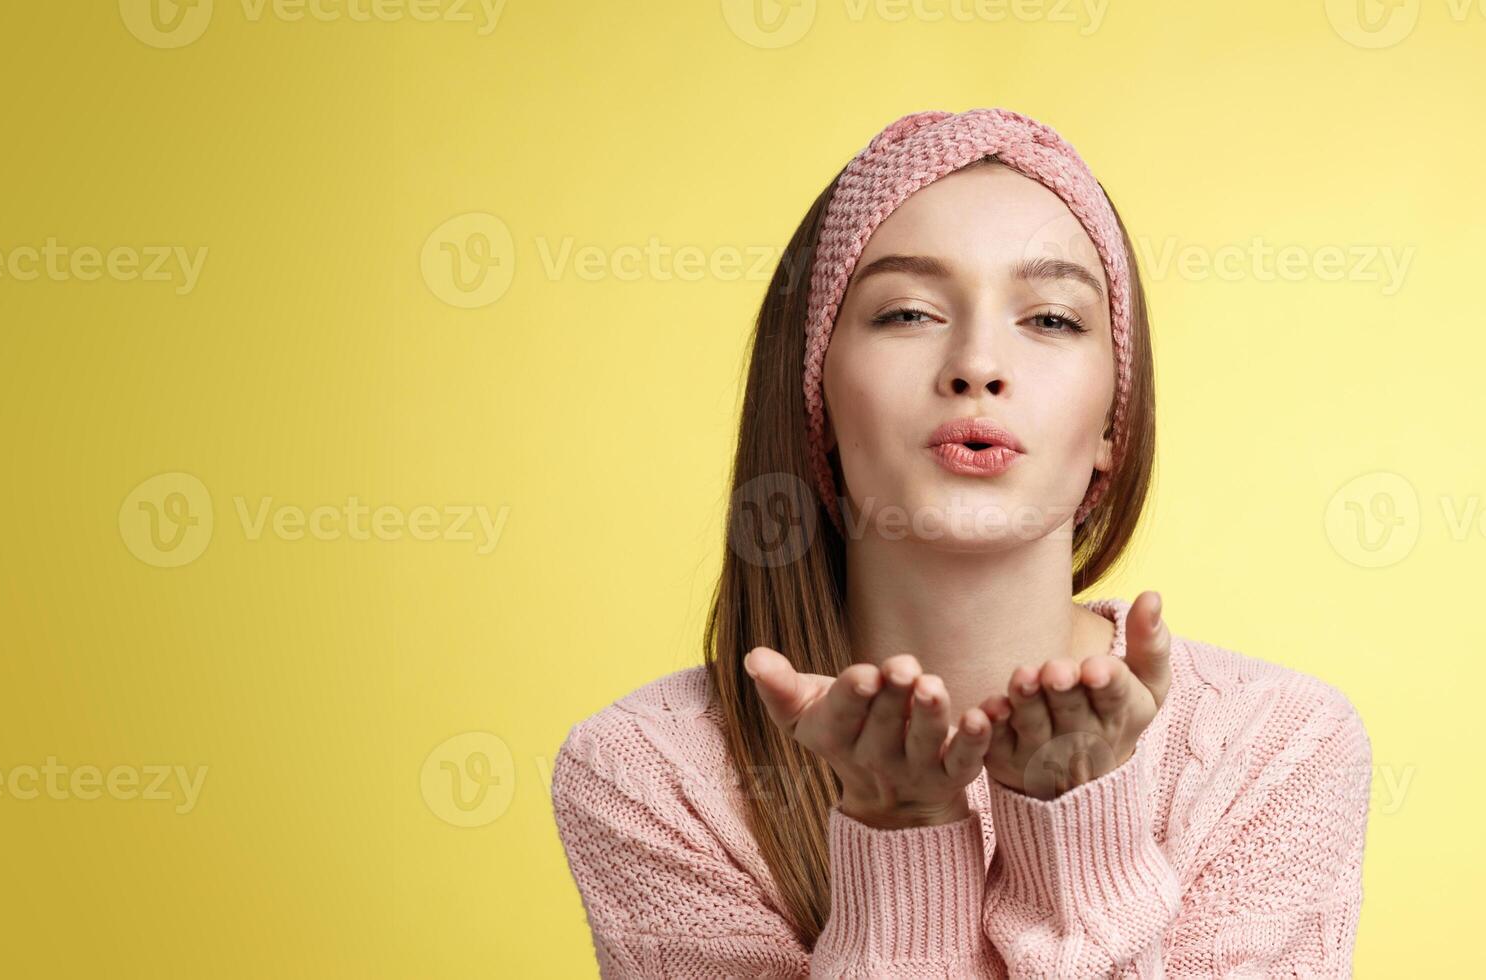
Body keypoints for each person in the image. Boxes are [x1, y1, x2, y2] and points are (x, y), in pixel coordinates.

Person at [550, 107, 1372, 978]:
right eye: (906, 313)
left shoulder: (1279, 747)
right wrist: (900, 832)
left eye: (1052, 319)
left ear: (1113, 424)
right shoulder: (651, 772)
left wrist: (1080, 840)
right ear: (816, 403)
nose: (977, 365)